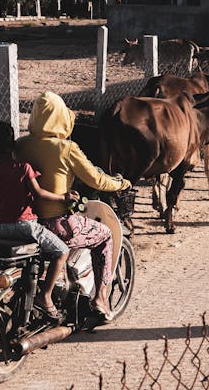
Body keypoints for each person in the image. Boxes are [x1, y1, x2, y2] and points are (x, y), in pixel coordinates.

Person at [14, 91, 131, 322]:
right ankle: (100, 297)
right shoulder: (66, 148)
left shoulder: (20, 145)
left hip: (27, 223)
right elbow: (96, 180)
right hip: (57, 226)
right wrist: (121, 182)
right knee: (105, 235)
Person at [0, 121, 78, 321]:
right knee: (62, 251)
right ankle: (45, 296)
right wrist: (65, 197)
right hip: (25, 226)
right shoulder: (23, 168)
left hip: (0, 227)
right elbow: (39, 193)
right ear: (13, 143)